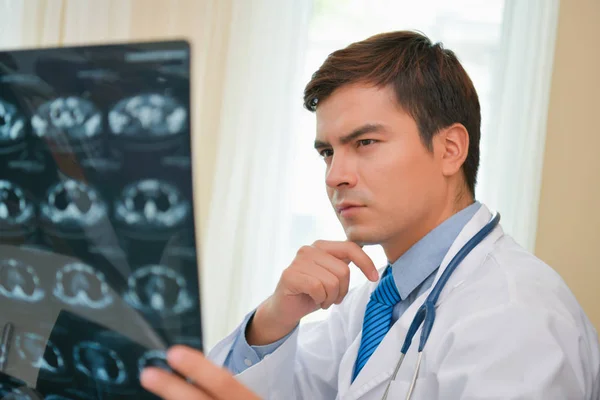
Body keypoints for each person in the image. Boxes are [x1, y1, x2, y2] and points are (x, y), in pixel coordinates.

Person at [141, 30, 600, 399]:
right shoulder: (377, 303)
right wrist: (274, 319)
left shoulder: (515, 315)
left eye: (364, 143)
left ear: (450, 148)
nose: (335, 175)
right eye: (326, 152)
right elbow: (284, 387)